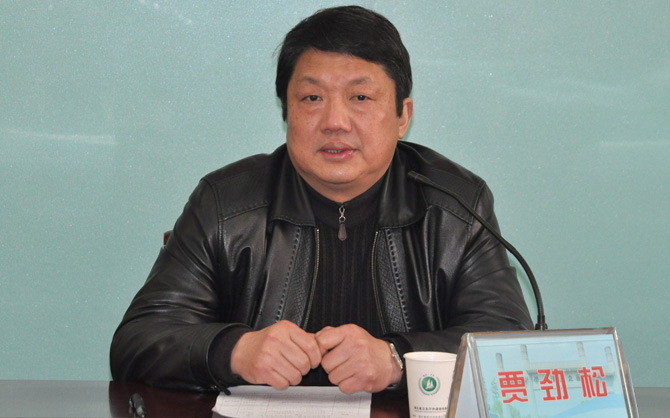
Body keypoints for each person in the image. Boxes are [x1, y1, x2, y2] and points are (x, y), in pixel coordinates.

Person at [110, 5, 532, 394]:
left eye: (360, 98)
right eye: (312, 98)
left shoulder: (455, 206)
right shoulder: (226, 205)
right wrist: (235, 350)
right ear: (286, 111)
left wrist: (397, 359)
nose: (335, 122)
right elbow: (138, 341)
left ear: (403, 115)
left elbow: (508, 347)